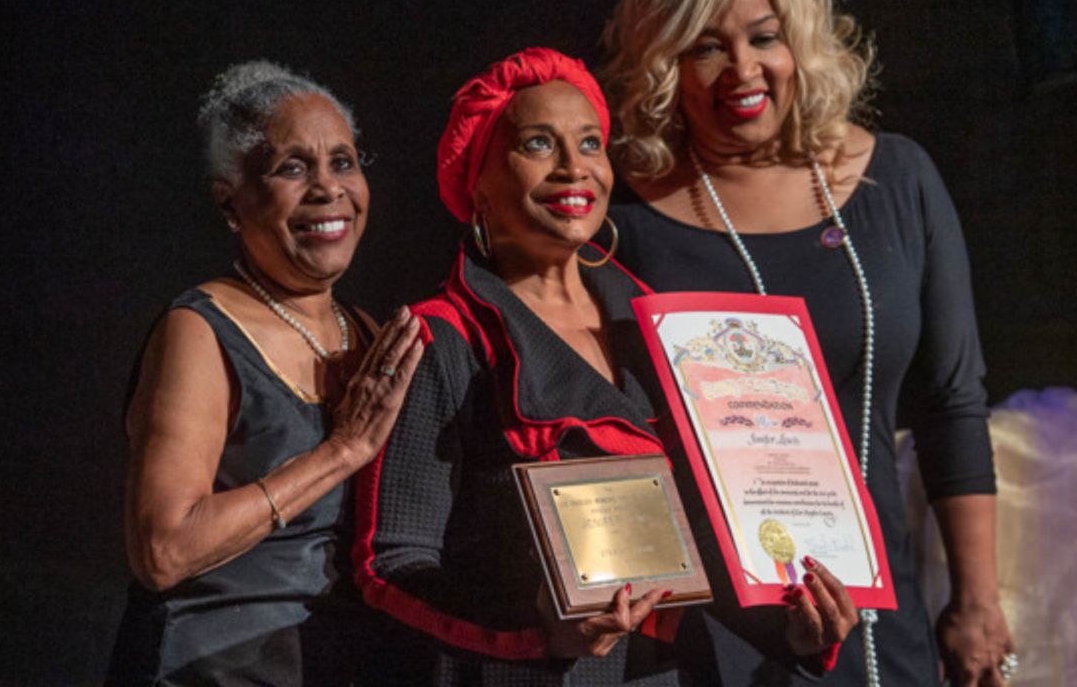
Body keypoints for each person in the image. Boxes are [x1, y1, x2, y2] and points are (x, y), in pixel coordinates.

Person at [600, 0, 1014, 687]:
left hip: (874, 619)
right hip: (694, 635)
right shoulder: (621, 218)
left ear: (802, 39)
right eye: (705, 48)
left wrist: (977, 601)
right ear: (663, 62)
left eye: (765, 37)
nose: (744, 71)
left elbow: (953, 401)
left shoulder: (897, 180)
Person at [352, 48, 856, 685]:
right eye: (538, 144)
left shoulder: (670, 333)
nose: (574, 168)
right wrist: (540, 631)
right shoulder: (440, 339)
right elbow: (387, 565)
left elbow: (701, 537)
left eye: (590, 143)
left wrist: (790, 625)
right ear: (476, 179)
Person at [107, 61, 424, 686]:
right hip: (209, 670)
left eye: (344, 161)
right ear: (231, 202)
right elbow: (163, 551)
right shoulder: (200, 330)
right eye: (292, 168)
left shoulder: (366, 332)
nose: (328, 189)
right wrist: (340, 452)